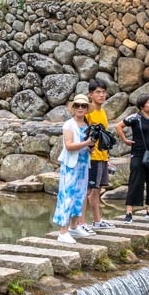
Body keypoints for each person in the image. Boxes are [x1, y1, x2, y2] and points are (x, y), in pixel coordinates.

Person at [116, 94, 149, 222]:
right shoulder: (135, 118)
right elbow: (118, 126)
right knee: (135, 181)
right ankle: (129, 212)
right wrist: (125, 140)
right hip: (138, 154)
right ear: (142, 105)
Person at [53, 95, 95, 243]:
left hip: (83, 164)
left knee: (80, 195)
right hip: (70, 165)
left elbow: (88, 148)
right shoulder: (68, 125)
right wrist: (87, 142)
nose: (80, 108)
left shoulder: (87, 124)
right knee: (67, 195)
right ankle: (62, 231)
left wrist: (90, 147)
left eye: (83, 106)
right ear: (73, 108)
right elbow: (69, 146)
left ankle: (74, 226)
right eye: (77, 105)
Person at [83, 79, 113, 231]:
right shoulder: (88, 112)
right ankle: (80, 224)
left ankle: (97, 221)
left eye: (103, 92)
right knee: (87, 190)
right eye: (98, 92)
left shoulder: (102, 112)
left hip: (102, 157)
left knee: (98, 190)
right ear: (90, 94)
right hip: (92, 157)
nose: (102, 95)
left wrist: (108, 157)